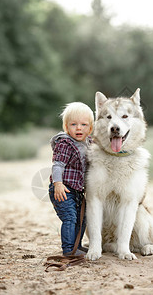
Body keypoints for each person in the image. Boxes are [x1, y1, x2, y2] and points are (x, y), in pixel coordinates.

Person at [49, 102, 94, 256]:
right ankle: (68, 249)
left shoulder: (89, 144)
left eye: (83, 124)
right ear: (66, 127)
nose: (79, 128)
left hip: (77, 191)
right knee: (70, 217)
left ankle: (77, 245)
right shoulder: (65, 143)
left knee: (83, 218)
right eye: (73, 124)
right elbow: (57, 165)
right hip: (63, 188)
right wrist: (58, 184)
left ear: (90, 128)